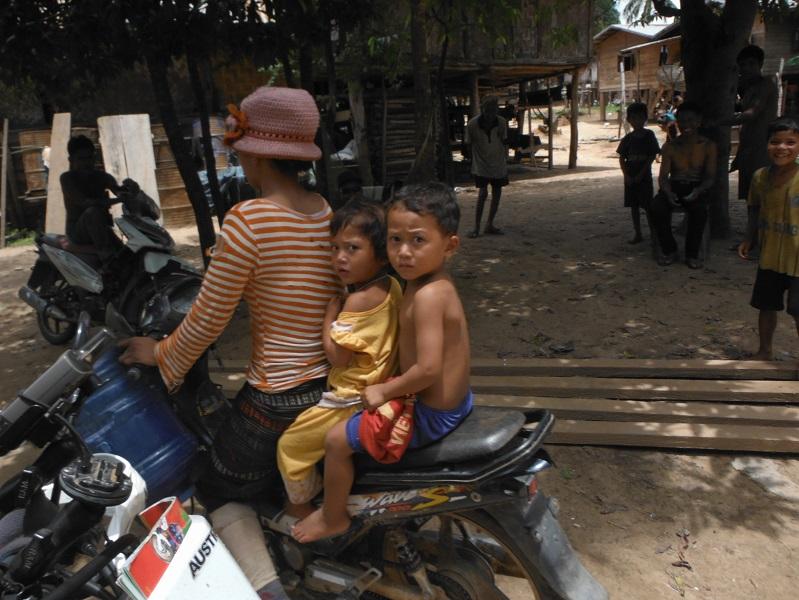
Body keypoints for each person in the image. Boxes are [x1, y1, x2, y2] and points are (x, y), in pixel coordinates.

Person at [119, 86, 338, 600]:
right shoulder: (326, 212)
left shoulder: (248, 220)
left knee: (215, 483)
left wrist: (159, 352)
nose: (234, 151)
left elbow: (208, 321)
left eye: (239, 143)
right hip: (329, 385)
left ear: (260, 151)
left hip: (277, 399)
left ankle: (268, 591)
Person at [292, 182, 473, 543]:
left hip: (430, 414)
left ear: (449, 245)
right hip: (454, 401)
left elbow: (428, 370)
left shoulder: (428, 296)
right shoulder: (424, 282)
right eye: (395, 240)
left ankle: (333, 516)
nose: (404, 253)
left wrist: (384, 390)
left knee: (334, 441)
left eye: (418, 241)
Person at [277, 201, 401, 520]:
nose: (340, 258)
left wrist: (329, 318)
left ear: (381, 254)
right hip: (383, 383)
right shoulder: (391, 287)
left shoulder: (356, 301)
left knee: (290, 446)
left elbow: (338, 357)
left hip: (351, 398)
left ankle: (302, 508)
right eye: (334, 248)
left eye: (352, 248)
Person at [738, 117, 799, 360]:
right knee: (766, 305)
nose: (782, 148)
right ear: (767, 145)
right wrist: (748, 238)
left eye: (790, 142)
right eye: (775, 142)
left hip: (797, 260)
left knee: (797, 309)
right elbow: (754, 208)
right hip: (770, 254)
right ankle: (765, 351)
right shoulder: (760, 177)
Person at [650, 101, 717, 269]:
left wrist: (698, 190)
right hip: (674, 186)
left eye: (691, 120)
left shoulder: (708, 146)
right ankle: (670, 249)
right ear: (676, 122)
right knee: (656, 208)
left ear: (699, 121)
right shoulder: (670, 147)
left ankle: (692, 254)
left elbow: (710, 177)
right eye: (682, 121)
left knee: (699, 211)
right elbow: (663, 177)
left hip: (697, 186)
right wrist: (668, 192)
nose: (686, 125)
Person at [60, 135, 136, 264]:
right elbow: (85, 203)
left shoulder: (102, 176)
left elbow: (119, 191)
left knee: (129, 257)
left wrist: (131, 188)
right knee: (92, 211)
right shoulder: (67, 178)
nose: (86, 163)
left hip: (102, 229)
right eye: (81, 159)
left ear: (94, 158)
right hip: (78, 233)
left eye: (89, 158)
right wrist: (118, 200)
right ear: (71, 160)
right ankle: (106, 257)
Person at [729, 45, 779, 204]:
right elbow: (746, 127)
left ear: (760, 64)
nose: (747, 68)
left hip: (763, 148)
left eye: (751, 63)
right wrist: (739, 156)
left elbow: (752, 114)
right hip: (748, 149)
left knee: (764, 200)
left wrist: (720, 121)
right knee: (751, 201)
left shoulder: (767, 83)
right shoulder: (747, 88)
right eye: (743, 65)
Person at [617, 102, 660, 244]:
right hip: (630, 176)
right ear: (629, 119)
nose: (637, 121)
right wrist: (626, 175)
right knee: (634, 207)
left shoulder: (649, 135)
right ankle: (638, 233)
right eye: (634, 118)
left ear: (645, 118)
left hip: (644, 176)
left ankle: (654, 234)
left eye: (640, 118)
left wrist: (641, 173)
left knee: (648, 207)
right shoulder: (628, 138)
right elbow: (622, 158)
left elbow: (652, 156)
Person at [467, 97, 508, 237]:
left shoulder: (502, 123)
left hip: (498, 164)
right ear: (482, 109)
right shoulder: (473, 124)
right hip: (481, 164)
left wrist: (504, 159)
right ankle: (476, 228)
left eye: (493, 111)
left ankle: (489, 224)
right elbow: (468, 144)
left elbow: (504, 141)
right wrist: (471, 163)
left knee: (497, 193)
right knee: (482, 193)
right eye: (487, 110)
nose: (490, 114)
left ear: (496, 110)